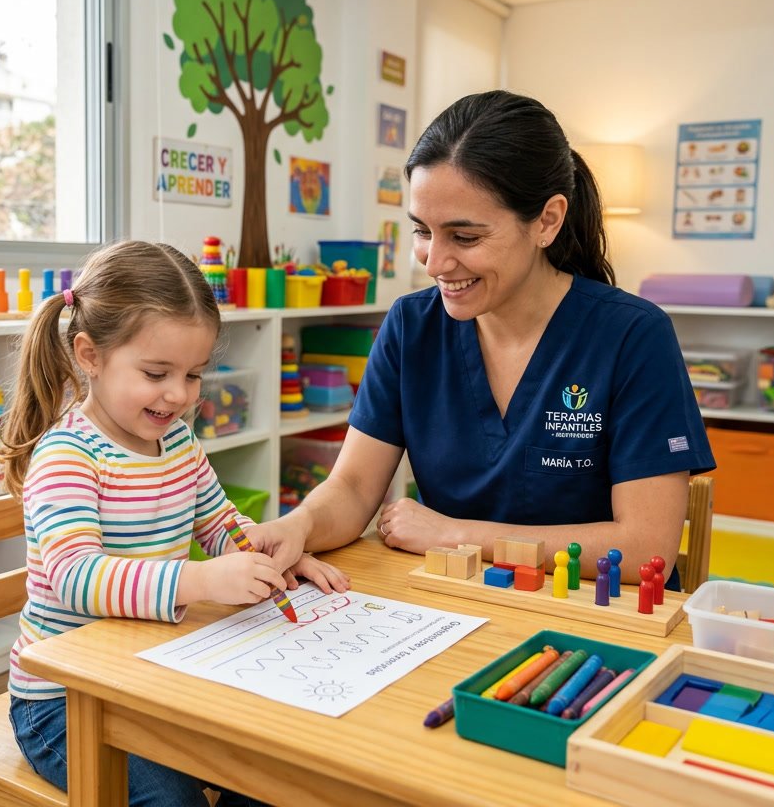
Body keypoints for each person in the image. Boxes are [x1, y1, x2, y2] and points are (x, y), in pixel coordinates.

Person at [251, 90, 715, 585]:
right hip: (453, 603)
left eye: (465, 237)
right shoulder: (411, 326)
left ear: (547, 221)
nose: (433, 262)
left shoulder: (633, 335)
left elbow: (645, 547)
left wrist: (456, 535)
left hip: (587, 608)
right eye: (422, 231)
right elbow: (352, 488)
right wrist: (299, 525)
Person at [0, 240, 347, 805]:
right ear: (90, 355)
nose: (179, 395)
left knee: (273, 771)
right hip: (63, 701)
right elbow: (75, 577)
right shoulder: (69, 455)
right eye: (157, 373)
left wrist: (273, 554)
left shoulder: (178, 441)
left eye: (194, 374)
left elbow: (220, 524)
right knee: (173, 799)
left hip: (152, 677)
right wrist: (202, 580)